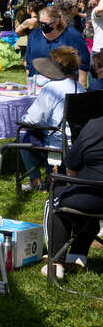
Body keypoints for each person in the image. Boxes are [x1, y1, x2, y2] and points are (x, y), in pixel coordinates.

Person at [42, 114, 103, 279]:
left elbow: (71, 170)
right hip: (92, 196)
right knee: (82, 197)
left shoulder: (94, 126)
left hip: (91, 196)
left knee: (55, 200)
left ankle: (55, 262)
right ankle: (77, 254)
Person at [19, 46, 86, 192]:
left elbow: (34, 119)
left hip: (57, 142)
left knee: (23, 137)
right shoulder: (80, 88)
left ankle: (36, 182)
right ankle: (52, 176)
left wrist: (23, 120)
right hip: (75, 142)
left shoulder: (52, 88)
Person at [25, 6, 90, 88]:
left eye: (46, 24)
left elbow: (83, 63)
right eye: (41, 23)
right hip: (36, 86)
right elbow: (28, 61)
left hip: (63, 87)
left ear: (58, 21)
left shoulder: (73, 36)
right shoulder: (35, 34)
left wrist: (81, 86)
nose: (43, 26)